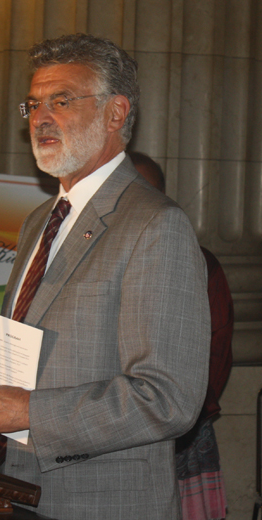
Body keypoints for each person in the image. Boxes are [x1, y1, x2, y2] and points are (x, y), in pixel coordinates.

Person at [0, 33, 211, 520]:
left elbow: (168, 398)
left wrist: (25, 411)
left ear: (115, 113)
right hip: (14, 490)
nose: (41, 117)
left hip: (102, 503)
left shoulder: (154, 225)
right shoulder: (39, 221)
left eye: (62, 100)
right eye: (33, 105)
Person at [129, 151, 233, 520]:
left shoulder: (197, 261)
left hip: (179, 430)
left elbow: (216, 351)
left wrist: (185, 416)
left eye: (145, 193)